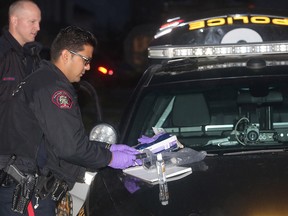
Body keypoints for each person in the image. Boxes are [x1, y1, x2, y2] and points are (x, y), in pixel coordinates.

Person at [0, 26, 141, 216]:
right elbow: (70, 147)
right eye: (86, 60)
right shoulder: (53, 88)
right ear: (66, 55)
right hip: (27, 195)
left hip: (24, 191)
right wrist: (110, 158)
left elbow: (56, 141)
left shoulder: (42, 80)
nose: (88, 67)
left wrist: (106, 148)